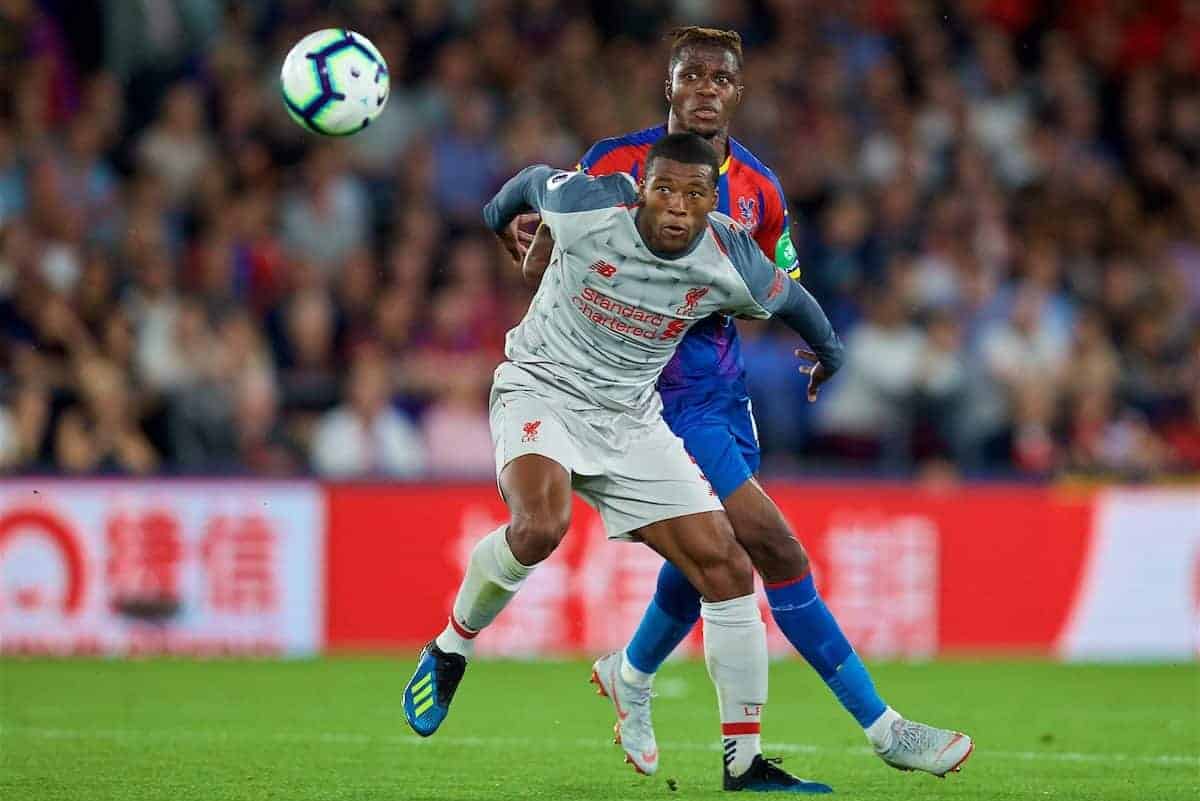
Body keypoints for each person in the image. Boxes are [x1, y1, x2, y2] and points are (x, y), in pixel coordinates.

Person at [519, 27, 973, 779]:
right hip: (655, 394)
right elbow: (559, 239)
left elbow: (774, 287)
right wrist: (525, 232)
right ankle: (885, 728)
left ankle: (630, 673)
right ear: (667, 86)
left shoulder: (760, 187)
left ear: (738, 92)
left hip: (722, 390)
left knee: (712, 557)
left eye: (720, 78)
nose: (704, 88)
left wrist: (816, 338)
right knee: (775, 547)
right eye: (689, 75)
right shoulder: (612, 162)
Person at [404, 133, 843, 793]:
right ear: (642, 188)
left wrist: (829, 352)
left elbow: (795, 302)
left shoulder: (728, 255)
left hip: (631, 420)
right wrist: (503, 223)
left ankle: (744, 764)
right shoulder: (587, 204)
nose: (676, 207)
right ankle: (450, 647)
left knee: (725, 563)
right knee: (541, 525)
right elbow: (524, 182)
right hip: (542, 389)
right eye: (664, 189)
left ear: (709, 204)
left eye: (695, 195)